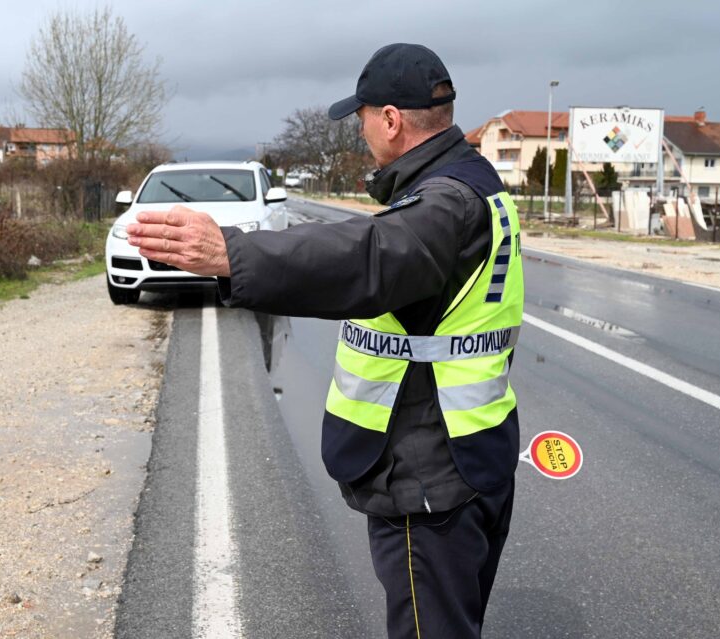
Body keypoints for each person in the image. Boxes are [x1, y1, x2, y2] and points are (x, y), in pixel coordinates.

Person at [127, 43, 523, 639]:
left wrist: (231, 254)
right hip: (475, 453)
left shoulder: (444, 202)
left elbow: (367, 257)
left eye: (362, 116)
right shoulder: (474, 181)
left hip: (428, 472)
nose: (360, 129)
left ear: (390, 120)